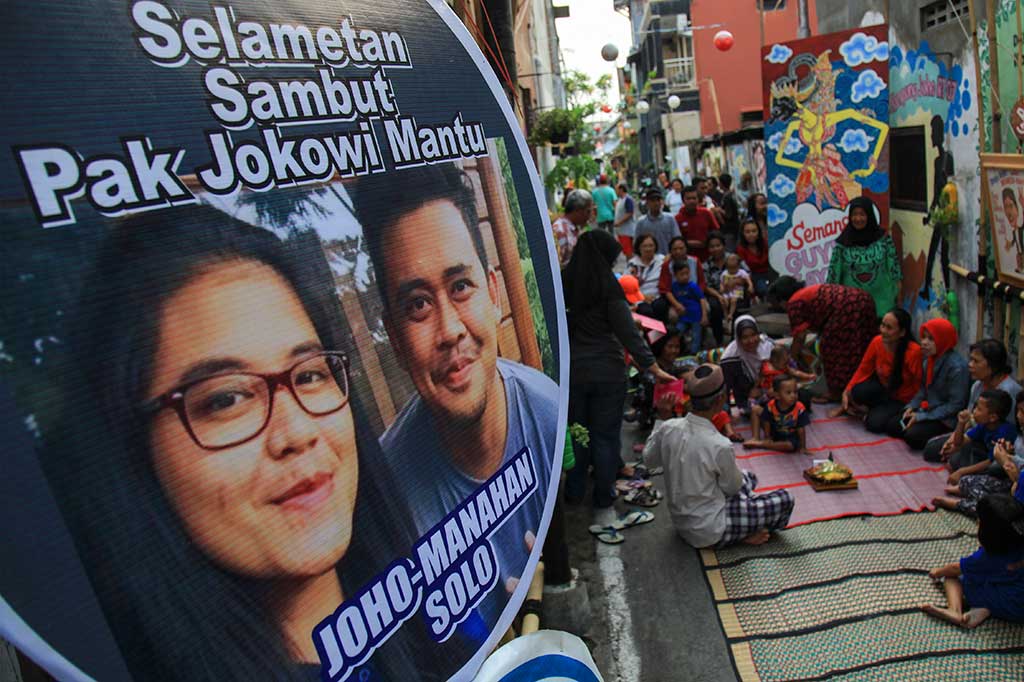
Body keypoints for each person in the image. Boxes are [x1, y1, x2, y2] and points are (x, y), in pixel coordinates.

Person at [45, 205, 422, 680]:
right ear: (133, 454)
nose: (297, 432)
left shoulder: (440, 610)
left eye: (308, 375)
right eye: (226, 399)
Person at [358, 163, 559, 636]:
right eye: (418, 305)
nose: (449, 331)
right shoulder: (388, 509)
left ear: (493, 292)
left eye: (460, 287)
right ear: (394, 336)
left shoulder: (545, 414)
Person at [562, 230, 675, 508]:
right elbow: (628, 333)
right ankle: (604, 494)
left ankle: (574, 492)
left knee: (579, 432)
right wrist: (653, 366)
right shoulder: (607, 287)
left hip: (574, 372)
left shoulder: (563, 283)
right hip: (608, 373)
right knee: (605, 435)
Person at [644, 364, 794, 547]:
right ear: (721, 399)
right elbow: (731, 489)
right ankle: (741, 536)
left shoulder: (668, 427)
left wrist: (662, 416)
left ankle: (745, 518)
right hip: (710, 530)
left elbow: (649, 461)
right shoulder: (720, 444)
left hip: (682, 523)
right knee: (786, 497)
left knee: (749, 476)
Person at [921, 493, 1024, 628]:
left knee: (953, 577)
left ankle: (954, 610)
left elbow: (955, 568)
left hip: (1012, 606)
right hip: (1016, 592)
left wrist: (937, 572)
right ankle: (983, 610)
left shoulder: (987, 557)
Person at [768, 277, 877, 404]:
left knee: (830, 348)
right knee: (860, 346)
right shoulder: (808, 292)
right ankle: (858, 388)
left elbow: (800, 337)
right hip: (865, 299)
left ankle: (837, 393)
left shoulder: (794, 302)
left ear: (781, 299)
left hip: (847, 309)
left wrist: (792, 358)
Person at [924, 339, 1021, 464]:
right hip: (976, 433)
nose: (970, 365)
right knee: (931, 449)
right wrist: (953, 439)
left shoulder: (1008, 391)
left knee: (958, 460)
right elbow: (971, 418)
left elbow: (1009, 431)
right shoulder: (977, 386)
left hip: (996, 442)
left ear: (992, 366)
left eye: (976, 361)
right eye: (971, 360)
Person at [886, 318, 971, 451]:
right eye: (923, 337)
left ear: (943, 339)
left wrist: (921, 417)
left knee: (912, 437)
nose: (924, 343)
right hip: (929, 409)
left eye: (931, 339)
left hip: (946, 418)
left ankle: (941, 438)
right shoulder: (929, 361)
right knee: (893, 425)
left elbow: (955, 405)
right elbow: (923, 390)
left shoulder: (957, 368)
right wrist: (912, 407)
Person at [836, 308, 922, 431]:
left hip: (903, 400)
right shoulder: (877, 342)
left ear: (902, 332)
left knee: (874, 425)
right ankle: (877, 411)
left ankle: (881, 413)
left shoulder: (914, 352)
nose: (883, 331)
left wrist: (914, 407)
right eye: (882, 325)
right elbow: (863, 369)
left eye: (889, 328)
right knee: (856, 391)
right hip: (884, 390)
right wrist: (846, 391)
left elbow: (920, 385)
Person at [933, 390, 1017, 514]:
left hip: (1003, 477)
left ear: (992, 417)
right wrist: (961, 423)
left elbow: (991, 463)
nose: (974, 411)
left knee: (988, 504)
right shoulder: (983, 425)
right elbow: (959, 443)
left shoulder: (1005, 432)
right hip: (988, 468)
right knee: (966, 477)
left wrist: (961, 471)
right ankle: (964, 488)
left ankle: (957, 503)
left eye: (978, 409)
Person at [826, 196, 901, 318]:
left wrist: (898, 299)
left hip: (883, 308)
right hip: (852, 310)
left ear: (870, 216)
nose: (858, 218)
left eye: (862, 214)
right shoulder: (842, 245)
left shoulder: (884, 241)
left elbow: (895, 272)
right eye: (854, 214)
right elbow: (833, 278)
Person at [920, 115, 957, 301]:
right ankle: (927, 288)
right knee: (934, 251)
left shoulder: (947, 159)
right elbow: (936, 191)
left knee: (942, 254)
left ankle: (948, 289)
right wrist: (930, 213)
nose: (932, 136)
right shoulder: (937, 161)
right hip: (939, 214)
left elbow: (949, 189)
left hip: (947, 215)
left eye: (934, 132)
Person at [721, 315, 776, 410]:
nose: (751, 341)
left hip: (773, 392)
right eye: (745, 337)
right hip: (746, 399)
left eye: (753, 335)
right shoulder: (729, 358)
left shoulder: (769, 346)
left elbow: (783, 369)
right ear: (738, 338)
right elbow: (727, 388)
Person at [746, 375, 812, 454]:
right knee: (755, 409)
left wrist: (803, 447)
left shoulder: (799, 408)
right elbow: (767, 420)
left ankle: (761, 444)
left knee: (790, 446)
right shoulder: (771, 405)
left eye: (795, 392)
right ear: (777, 395)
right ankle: (755, 438)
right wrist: (767, 437)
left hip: (789, 436)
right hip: (773, 429)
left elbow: (801, 430)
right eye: (788, 393)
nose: (793, 396)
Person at [702, 232, 736, 347]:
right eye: (712, 246)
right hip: (715, 293)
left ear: (723, 245)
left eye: (718, 245)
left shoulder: (733, 258)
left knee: (738, 303)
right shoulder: (706, 265)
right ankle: (719, 341)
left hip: (735, 290)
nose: (715, 249)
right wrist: (719, 296)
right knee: (714, 307)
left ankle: (735, 339)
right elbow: (705, 285)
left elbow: (747, 274)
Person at [671, 261, 709, 355]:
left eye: (687, 274)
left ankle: (694, 353)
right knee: (678, 332)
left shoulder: (693, 286)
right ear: (675, 275)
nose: (685, 276)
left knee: (696, 335)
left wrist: (704, 315)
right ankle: (678, 351)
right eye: (681, 274)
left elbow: (702, 300)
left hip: (696, 315)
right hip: (683, 316)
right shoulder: (674, 286)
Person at [675, 185, 720, 261]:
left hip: (708, 258)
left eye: (694, 198)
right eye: (688, 199)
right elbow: (676, 240)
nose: (692, 201)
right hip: (687, 259)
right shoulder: (677, 218)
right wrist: (692, 243)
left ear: (698, 199)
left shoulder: (706, 213)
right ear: (683, 200)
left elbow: (716, 233)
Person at [553, 189, 593, 266]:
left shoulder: (574, 228)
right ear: (577, 210)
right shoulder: (560, 231)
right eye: (588, 211)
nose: (590, 216)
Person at [635, 186, 680, 255]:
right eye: (652, 200)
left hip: (667, 259)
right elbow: (636, 244)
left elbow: (677, 240)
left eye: (658, 200)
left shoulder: (670, 219)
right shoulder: (641, 222)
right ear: (647, 203)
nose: (656, 203)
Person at [628, 233, 666, 314]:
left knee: (660, 307)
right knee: (646, 311)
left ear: (655, 247)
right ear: (639, 248)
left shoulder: (661, 260)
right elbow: (627, 287)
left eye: (651, 245)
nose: (648, 249)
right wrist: (642, 297)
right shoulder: (632, 264)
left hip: (657, 296)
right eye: (644, 246)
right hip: (639, 298)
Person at [736, 218, 774, 298]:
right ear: (743, 234)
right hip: (753, 276)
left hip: (769, 273)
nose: (751, 234)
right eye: (747, 232)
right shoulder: (740, 249)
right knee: (763, 289)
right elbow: (744, 269)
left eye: (754, 231)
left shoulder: (765, 243)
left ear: (758, 232)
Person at [720, 253, 753, 329]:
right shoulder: (724, 273)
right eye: (730, 268)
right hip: (727, 291)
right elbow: (721, 283)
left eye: (734, 268)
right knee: (724, 301)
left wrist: (750, 286)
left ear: (738, 266)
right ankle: (725, 316)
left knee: (733, 300)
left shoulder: (741, 272)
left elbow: (748, 280)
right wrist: (722, 288)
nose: (732, 271)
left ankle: (730, 314)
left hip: (737, 291)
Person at [1000, 187, 1024, 271]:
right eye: (1006, 207)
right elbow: (1010, 244)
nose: (1009, 212)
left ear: (1017, 207)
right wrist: (1008, 245)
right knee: (1019, 256)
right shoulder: (1013, 231)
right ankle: (1020, 268)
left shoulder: (1022, 227)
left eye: (1011, 206)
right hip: (1019, 252)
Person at [718, 173, 741, 250]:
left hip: (730, 229)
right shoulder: (731, 194)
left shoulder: (727, 197)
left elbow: (728, 214)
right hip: (734, 227)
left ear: (721, 183)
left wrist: (719, 210)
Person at [614, 183, 637, 256]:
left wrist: (619, 222)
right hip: (621, 231)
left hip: (627, 231)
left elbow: (629, 213)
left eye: (616, 190)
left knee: (629, 252)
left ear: (621, 190)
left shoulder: (628, 199)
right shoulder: (620, 200)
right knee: (626, 252)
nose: (615, 191)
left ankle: (631, 266)